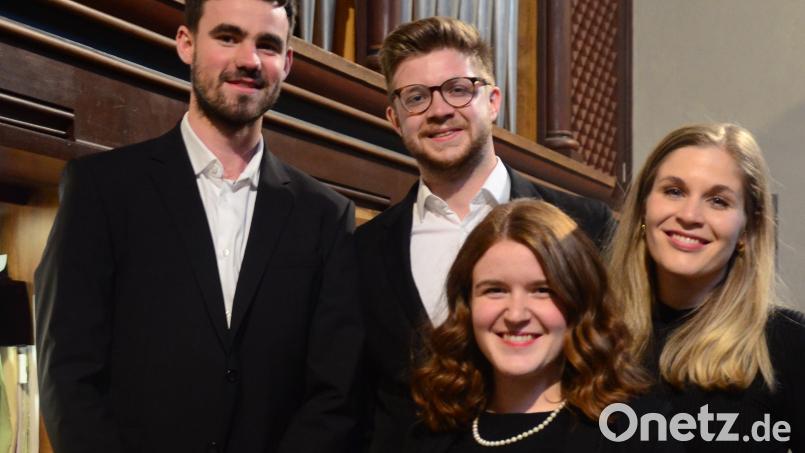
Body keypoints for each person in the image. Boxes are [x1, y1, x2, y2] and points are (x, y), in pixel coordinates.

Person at [34, 1, 362, 452]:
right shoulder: (101, 189)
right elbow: (67, 373)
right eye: (228, 37)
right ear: (186, 44)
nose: (248, 60)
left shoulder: (326, 215)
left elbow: (335, 392)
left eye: (267, 45)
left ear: (286, 63)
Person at [355, 16, 613, 452]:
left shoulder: (583, 225)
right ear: (394, 119)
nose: (439, 110)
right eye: (415, 97)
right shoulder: (362, 251)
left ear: (493, 101)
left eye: (458, 89)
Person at [608, 123, 805, 452]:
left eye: (718, 201)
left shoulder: (790, 344)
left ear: (748, 229)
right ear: (643, 207)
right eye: (674, 191)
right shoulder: (590, 335)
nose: (689, 215)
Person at [404, 199, 649, 452]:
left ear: (579, 302)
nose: (516, 314)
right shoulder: (431, 435)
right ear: (467, 304)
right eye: (495, 290)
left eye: (542, 290)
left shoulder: (633, 430)